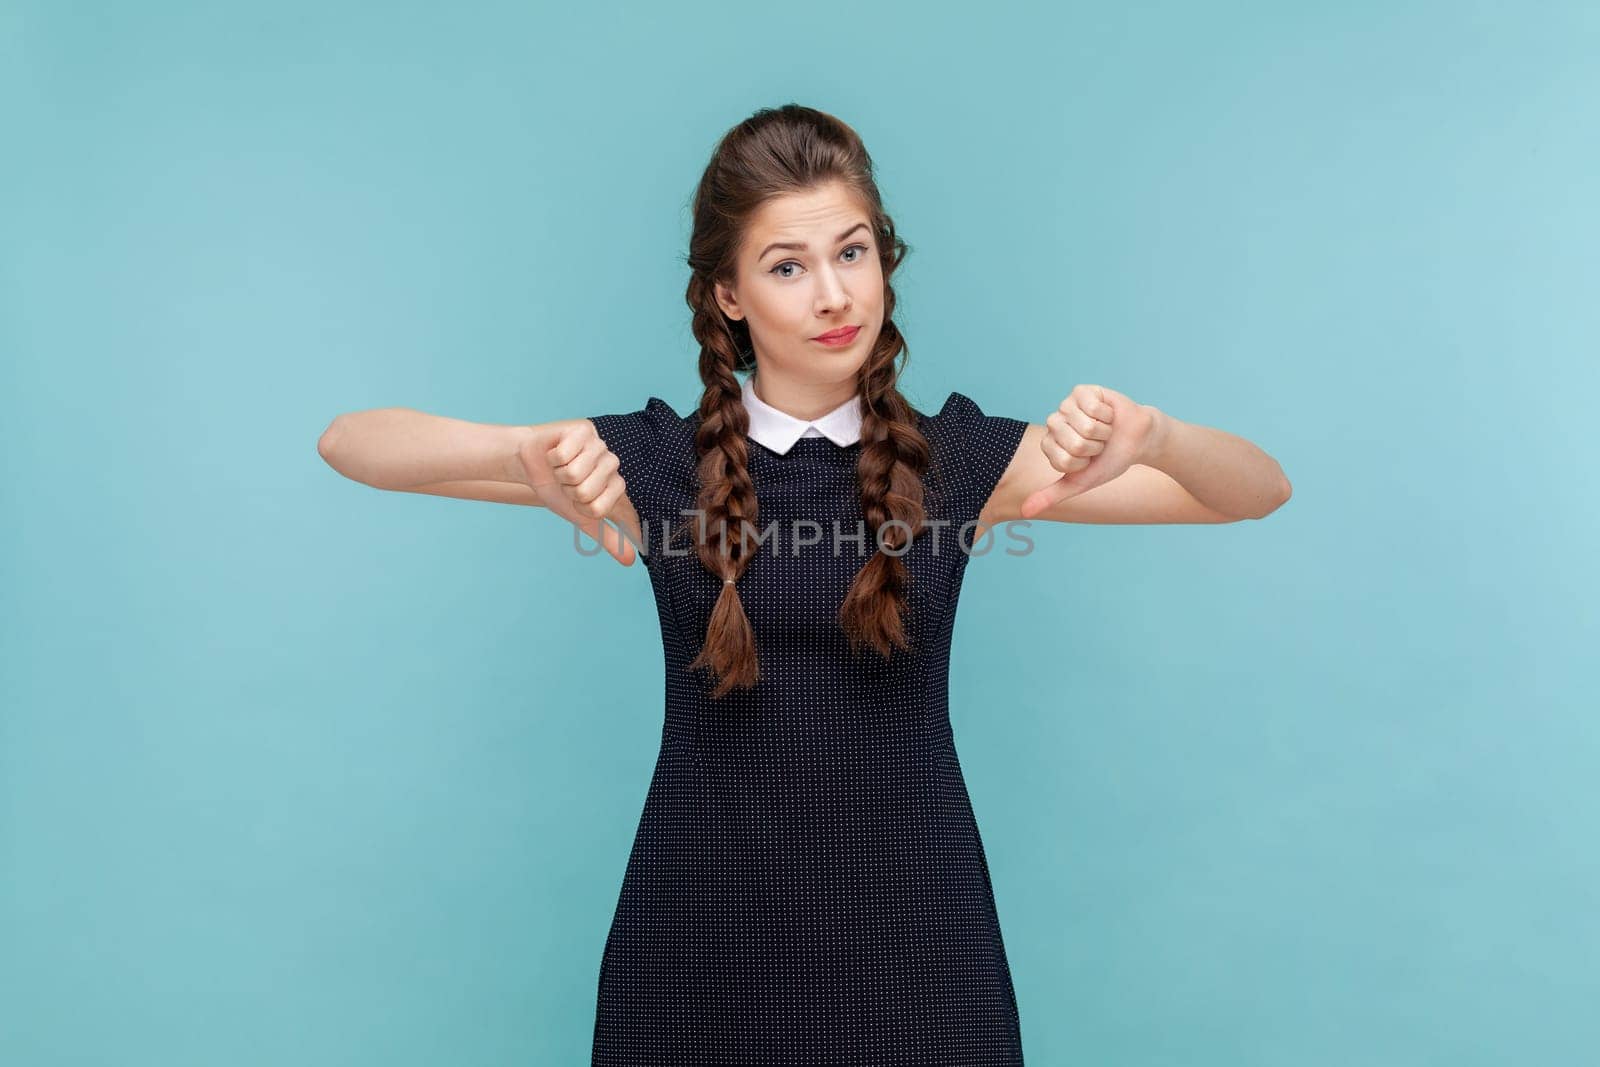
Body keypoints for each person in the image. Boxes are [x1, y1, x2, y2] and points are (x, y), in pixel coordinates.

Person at [318, 103, 1291, 1065]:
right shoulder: (652, 463)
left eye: (853, 252)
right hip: (697, 958)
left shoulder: (953, 460)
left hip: (919, 961)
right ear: (730, 295)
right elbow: (353, 442)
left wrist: (1154, 433)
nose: (834, 295)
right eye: (788, 266)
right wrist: (520, 447)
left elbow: (1253, 489)